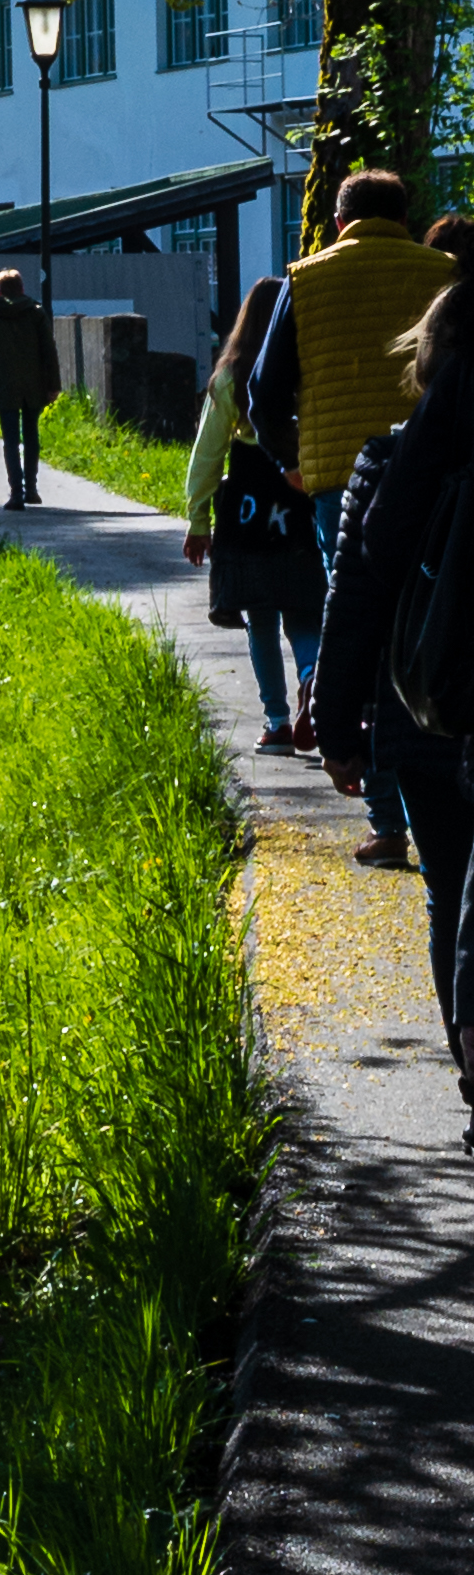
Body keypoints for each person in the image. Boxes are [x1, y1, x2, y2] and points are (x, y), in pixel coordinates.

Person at [316, 280, 474, 1117]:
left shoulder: (392, 460)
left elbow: (359, 593)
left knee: (450, 893)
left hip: (422, 711)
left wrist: (338, 725)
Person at [290, 169, 444, 854]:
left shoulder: (308, 278)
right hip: (439, 466)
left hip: (336, 479)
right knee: (435, 608)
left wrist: (290, 454)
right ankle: (439, 769)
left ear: (340, 219)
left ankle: (387, 817)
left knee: (355, 616)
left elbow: (265, 386)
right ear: (404, 217)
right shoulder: (444, 273)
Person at [185, 262, 325, 750]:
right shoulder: (309, 368)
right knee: (305, 611)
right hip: (299, 498)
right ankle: (313, 678)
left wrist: (198, 519)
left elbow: (207, 454)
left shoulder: (230, 377)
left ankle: (278, 721)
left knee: (260, 617)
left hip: (246, 510)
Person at [0, 258, 59, 504]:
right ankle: (31, 488)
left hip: (3, 385)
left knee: (10, 440)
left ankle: (15, 493)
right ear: (21, 288)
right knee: (31, 436)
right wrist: (54, 385)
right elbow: (49, 351)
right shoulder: (36, 313)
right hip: (34, 385)